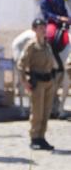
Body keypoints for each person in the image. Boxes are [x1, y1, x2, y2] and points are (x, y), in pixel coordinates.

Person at [16, 18, 59, 150]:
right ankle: (34, 137)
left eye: (44, 27)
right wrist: (24, 82)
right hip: (37, 82)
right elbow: (21, 64)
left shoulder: (47, 45)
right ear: (34, 29)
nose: (43, 29)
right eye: (40, 27)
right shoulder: (31, 45)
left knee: (46, 111)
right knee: (37, 111)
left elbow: (51, 62)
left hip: (48, 81)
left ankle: (42, 137)